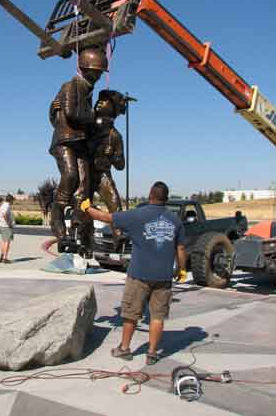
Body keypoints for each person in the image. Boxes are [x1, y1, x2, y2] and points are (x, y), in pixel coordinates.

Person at [81, 181, 187, 365]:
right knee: (157, 316)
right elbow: (181, 248)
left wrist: (87, 207)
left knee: (131, 313)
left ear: (150, 196)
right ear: (166, 199)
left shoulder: (137, 215)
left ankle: (125, 349)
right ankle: (152, 353)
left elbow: (106, 218)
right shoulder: (175, 220)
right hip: (164, 277)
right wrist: (182, 268)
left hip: (139, 275)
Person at [48, 45, 108, 246]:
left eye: (100, 73)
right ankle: (56, 216)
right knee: (70, 176)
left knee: (84, 185)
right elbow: (72, 113)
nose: (98, 76)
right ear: (85, 68)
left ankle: (76, 224)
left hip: (79, 142)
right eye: (96, 72)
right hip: (65, 141)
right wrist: (94, 117)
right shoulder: (70, 86)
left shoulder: (88, 91)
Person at [90, 90, 126, 249]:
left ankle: (119, 240)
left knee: (115, 205)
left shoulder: (115, 136)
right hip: (85, 172)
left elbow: (121, 165)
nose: (99, 103)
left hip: (103, 175)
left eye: (103, 101)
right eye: (99, 100)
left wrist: (113, 156)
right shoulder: (88, 125)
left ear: (112, 108)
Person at [0, 194, 15, 263]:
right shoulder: (7, 205)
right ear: (11, 200)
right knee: (7, 242)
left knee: (4, 241)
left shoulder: (3, 205)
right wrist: (9, 224)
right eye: (13, 200)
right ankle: (5, 258)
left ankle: (2, 256)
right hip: (6, 226)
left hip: (3, 225)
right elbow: (4, 215)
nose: (13, 202)